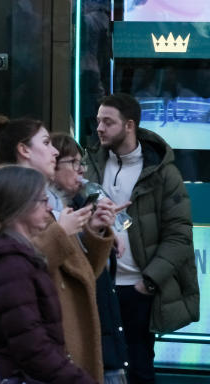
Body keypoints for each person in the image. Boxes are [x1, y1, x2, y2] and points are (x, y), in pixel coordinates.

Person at [0, 115, 115, 382]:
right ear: (24, 150)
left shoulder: (51, 204)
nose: (55, 150)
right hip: (46, 360)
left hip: (63, 347)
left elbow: (83, 274)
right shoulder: (9, 201)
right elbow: (14, 274)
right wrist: (61, 233)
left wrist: (95, 231)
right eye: (46, 142)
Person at [84, 93, 200, 384]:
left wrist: (148, 283)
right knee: (95, 368)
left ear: (129, 125)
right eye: (98, 120)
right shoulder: (90, 165)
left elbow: (179, 236)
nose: (99, 128)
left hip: (136, 289)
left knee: (138, 369)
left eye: (107, 122)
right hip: (98, 283)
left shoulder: (163, 173)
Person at [0, 164, 96, 384]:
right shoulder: (10, 265)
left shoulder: (9, 257)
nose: (49, 208)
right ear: (20, 206)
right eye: (42, 201)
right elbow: (33, 349)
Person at [50, 132, 130, 384]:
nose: (81, 170)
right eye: (73, 163)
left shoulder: (83, 201)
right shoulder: (44, 214)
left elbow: (94, 271)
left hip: (101, 333)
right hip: (74, 344)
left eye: (80, 162)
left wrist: (100, 229)